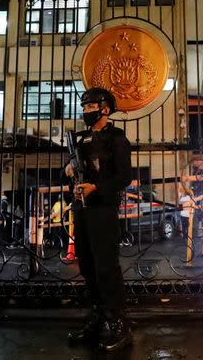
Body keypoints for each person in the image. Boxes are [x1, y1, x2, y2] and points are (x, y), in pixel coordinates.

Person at [64, 87, 133, 352]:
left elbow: (124, 177)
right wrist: (68, 169)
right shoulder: (80, 140)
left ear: (105, 109)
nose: (86, 111)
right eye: (84, 107)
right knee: (87, 262)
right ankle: (97, 315)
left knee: (106, 265)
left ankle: (119, 323)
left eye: (90, 107)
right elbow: (69, 172)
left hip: (103, 208)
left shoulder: (116, 138)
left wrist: (97, 188)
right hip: (81, 209)